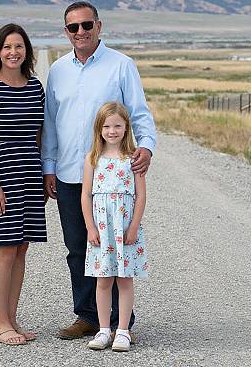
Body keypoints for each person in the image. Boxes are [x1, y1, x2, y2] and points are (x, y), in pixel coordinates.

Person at [41, 1, 156, 340]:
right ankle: (88, 317)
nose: (81, 32)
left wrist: (146, 146)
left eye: (87, 25)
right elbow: (50, 123)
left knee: (118, 247)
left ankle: (123, 324)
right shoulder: (58, 70)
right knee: (80, 247)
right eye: (73, 27)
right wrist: (48, 167)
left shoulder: (121, 65)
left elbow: (138, 112)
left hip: (113, 178)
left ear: (99, 26)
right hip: (68, 175)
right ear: (66, 31)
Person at [0, 23, 47, 346]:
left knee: (21, 248)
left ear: (26, 51)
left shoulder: (35, 87)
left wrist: (44, 175)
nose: (13, 52)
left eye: (19, 46)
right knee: (4, 251)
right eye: (7, 47)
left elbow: (39, 134)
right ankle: (0, 322)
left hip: (29, 174)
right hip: (0, 176)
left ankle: (12, 318)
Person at [81, 102, 148, 352]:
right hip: (101, 229)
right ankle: (103, 330)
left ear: (126, 128)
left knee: (125, 279)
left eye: (118, 125)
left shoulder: (134, 159)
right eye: (107, 126)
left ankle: (123, 331)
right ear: (99, 129)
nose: (112, 131)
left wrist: (133, 228)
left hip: (125, 229)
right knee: (103, 280)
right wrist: (90, 227)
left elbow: (141, 196)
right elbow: (85, 195)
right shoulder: (92, 159)